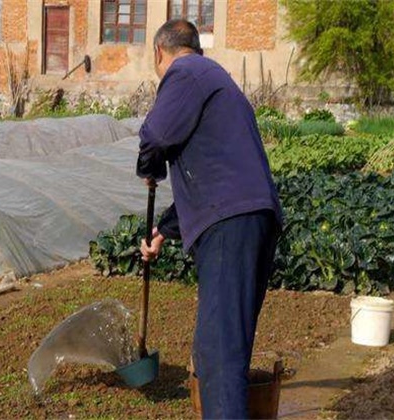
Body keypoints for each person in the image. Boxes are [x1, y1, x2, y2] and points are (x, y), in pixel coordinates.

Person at [137, 19, 283, 419]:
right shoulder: (215, 80)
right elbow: (215, 173)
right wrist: (164, 232)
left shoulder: (183, 72)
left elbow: (156, 136)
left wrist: (148, 167)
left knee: (219, 355)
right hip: (251, 218)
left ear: (159, 54)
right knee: (220, 348)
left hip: (230, 225)